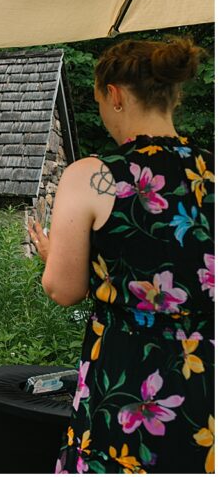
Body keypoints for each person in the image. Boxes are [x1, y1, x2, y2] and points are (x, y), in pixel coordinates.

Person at [28, 38, 214, 474]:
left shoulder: (92, 175)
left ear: (114, 94)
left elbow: (63, 288)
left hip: (128, 385)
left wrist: (54, 255)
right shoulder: (211, 168)